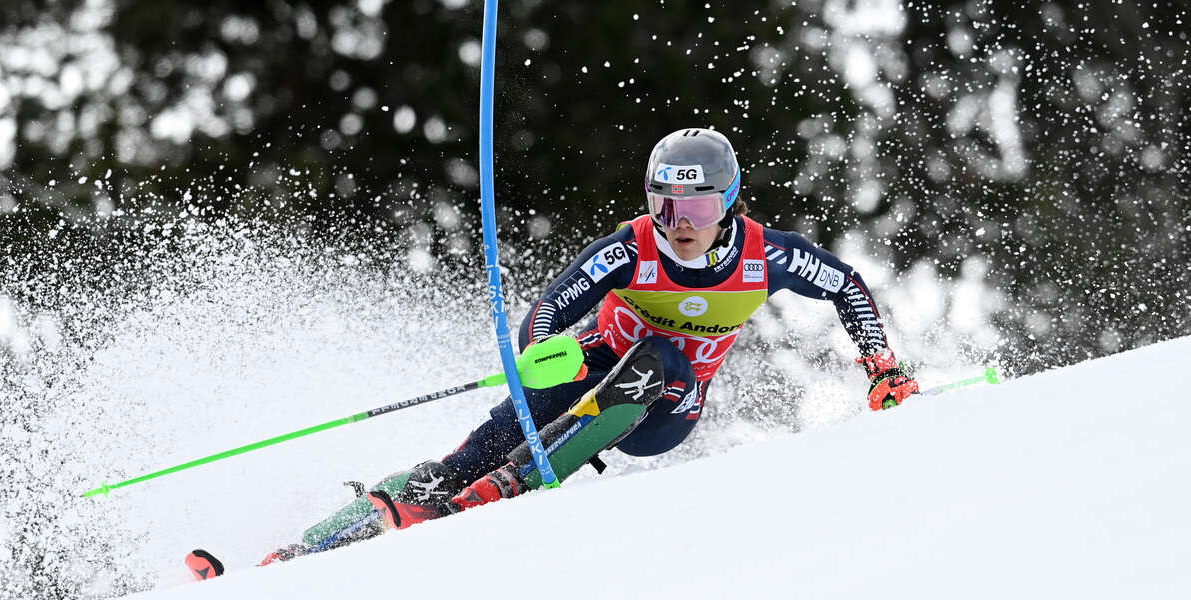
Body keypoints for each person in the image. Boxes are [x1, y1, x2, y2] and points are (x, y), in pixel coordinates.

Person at [251, 127, 919, 570]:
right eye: (665, 206)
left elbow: (848, 286)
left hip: (665, 410)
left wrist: (881, 370)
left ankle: (508, 484)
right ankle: (308, 549)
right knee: (457, 461)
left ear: (731, 202)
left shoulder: (763, 255)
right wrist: (544, 351)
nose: (680, 226)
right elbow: (548, 311)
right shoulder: (630, 248)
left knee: (663, 361)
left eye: (699, 208)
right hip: (592, 370)